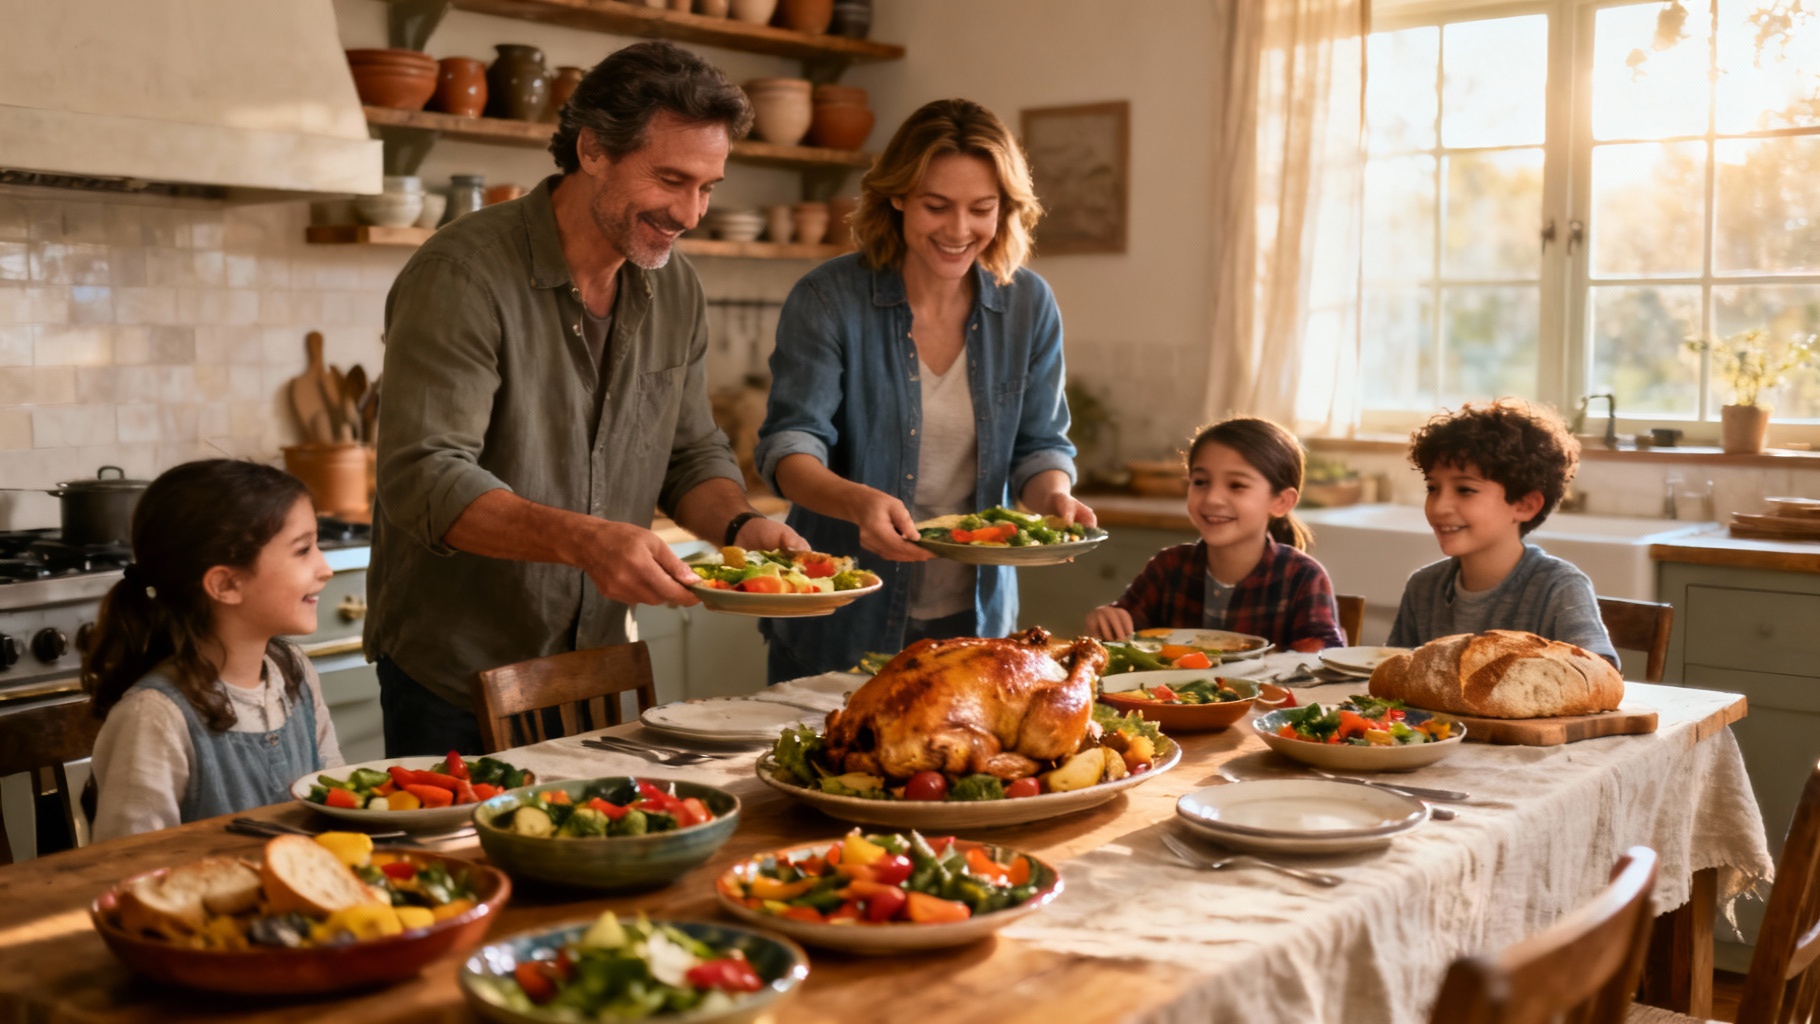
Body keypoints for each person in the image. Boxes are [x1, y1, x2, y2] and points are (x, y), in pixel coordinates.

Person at [368, 41, 804, 756]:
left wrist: (743, 531)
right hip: (456, 675)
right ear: (593, 149)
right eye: (670, 179)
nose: (689, 213)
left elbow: (690, 453)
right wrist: (589, 541)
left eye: (707, 187)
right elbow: (425, 477)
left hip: (594, 664)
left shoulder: (676, 287)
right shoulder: (462, 274)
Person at [754, 98, 1095, 682]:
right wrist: (858, 503)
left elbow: (1040, 446)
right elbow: (790, 447)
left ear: (1005, 209)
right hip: (841, 615)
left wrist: (1053, 499)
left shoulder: (1027, 304)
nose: (959, 231)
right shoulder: (829, 299)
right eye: (936, 206)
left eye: (981, 209)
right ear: (898, 197)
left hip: (976, 623)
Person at [84, 461, 343, 841]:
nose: (326, 568)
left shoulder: (294, 672)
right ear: (226, 584)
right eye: (303, 550)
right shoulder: (154, 717)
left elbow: (335, 800)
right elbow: (127, 865)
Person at [1386, 398, 1618, 666]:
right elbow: (1396, 680)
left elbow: (1599, 672)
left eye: (1465, 490)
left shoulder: (1559, 587)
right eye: (1432, 488)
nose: (1439, 506)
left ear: (1524, 505)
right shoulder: (1423, 588)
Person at [1087, 418, 1344, 654]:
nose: (1212, 498)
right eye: (1200, 482)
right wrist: (1108, 617)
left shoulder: (1303, 577)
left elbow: (1324, 659)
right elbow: (1124, 628)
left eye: (1236, 485)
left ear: (1281, 501)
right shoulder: (1168, 567)